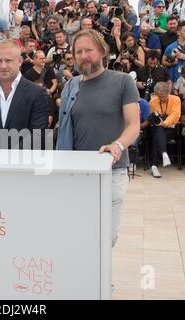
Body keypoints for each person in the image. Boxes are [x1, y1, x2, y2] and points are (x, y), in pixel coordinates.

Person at [56, 29, 140, 248]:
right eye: (79, 51)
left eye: (89, 50)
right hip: (78, 173)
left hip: (112, 170)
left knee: (106, 238)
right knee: (80, 234)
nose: (84, 56)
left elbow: (134, 125)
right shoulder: (70, 87)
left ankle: (103, 283)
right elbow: (65, 131)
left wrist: (118, 145)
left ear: (103, 51)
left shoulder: (123, 82)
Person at [0, 40, 48, 149]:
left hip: (23, 162)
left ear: (20, 61)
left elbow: (37, 135)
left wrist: (8, 157)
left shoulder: (37, 94)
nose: (3, 66)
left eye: (8, 61)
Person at [148, 82, 181, 178]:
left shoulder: (176, 99)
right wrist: (158, 121)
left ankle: (154, 166)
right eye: (159, 97)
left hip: (171, 128)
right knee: (158, 130)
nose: (162, 98)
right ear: (156, 94)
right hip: (157, 127)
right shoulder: (153, 101)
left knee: (156, 138)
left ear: (168, 93)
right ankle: (164, 153)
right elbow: (153, 116)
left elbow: (175, 115)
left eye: (164, 96)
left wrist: (165, 123)